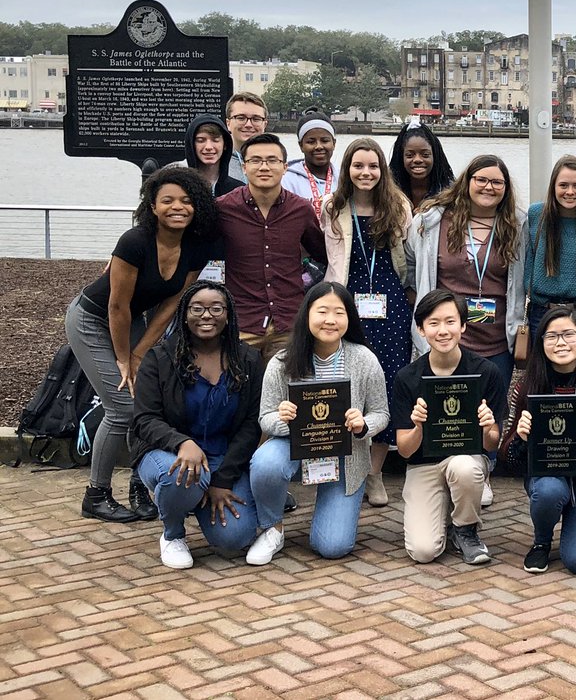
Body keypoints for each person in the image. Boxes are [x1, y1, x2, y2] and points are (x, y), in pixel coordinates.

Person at [67, 168, 219, 523]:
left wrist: (140, 354)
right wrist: (124, 359)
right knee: (122, 406)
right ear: (152, 206)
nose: (177, 207)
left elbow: (171, 305)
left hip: (134, 322)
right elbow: (116, 306)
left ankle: (140, 484)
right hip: (92, 319)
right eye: (167, 200)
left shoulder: (196, 247)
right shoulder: (134, 242)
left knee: (149, 402)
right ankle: (96, 494)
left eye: (186, 201)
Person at [245, 282, 390, 564]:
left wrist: (362, 425)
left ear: (350, 318)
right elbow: (265, 418)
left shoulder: (364, 359)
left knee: (332, 547)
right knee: (265, 464)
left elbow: (381, 414)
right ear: (307, 314)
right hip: (294, 449)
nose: (330, 320)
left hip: (345, 456)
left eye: (339, 312)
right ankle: (272, 527)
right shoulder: (282, 361)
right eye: (322, 311)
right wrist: (284, 418)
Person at [129, 281, 264, 568]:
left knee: (234, 538)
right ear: (184, 314)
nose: (206, 315)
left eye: (216, 308)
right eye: (197, 309)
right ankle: (173, 533)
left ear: (228, 315)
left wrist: (223, 479)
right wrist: (182, 443)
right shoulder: (160, 358)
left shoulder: (248, 360)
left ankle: (193, 494)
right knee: (185, 475)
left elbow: (251, 425)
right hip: (165, 453)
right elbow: (144, 419)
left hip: (221, 457)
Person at [321, 137, 413, 508]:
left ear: (383, 170)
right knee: (346, 382)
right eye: (358, 166)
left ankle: (374, 472)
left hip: (389, 307)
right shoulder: (333, 207)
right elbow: (330, 258)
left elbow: (407, 256)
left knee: (385, 385)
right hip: (347, 303)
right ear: (347, 170)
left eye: (373, 166)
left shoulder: (399, 205)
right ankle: (344, 467)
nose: (366, 173)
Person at [499, 306, 576, 574]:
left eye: (569, 334)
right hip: (547, 477)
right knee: (549, 492)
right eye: (551, 336)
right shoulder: (526, 386)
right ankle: (542, 541)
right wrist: (520, 439)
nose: (561, 342)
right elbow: (508, 460)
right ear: (540, 342)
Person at [392, 290, 508, 565]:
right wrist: (418, 426)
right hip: (424, 466)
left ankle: (465, 530)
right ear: (421, 329)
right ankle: (442, 509)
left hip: (465, 459)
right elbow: (406, 451)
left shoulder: (486, 371)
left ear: (463, 326)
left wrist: (488, 425)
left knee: (464, 469)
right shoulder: (407, 378)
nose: (443, 331)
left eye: (450, 322)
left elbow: (492, 443)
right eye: (433, 323)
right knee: (423, 552)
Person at [406, 154, 526, 392]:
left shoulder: (518, 225)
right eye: (481, 179)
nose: (488, 187)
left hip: (496, 343)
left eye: (497, 182)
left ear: (506, 188)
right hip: (445, 339)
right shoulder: (432, 222)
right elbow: (411, 264)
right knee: (445, 416)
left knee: (491, 419)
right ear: (467, 181)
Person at [217, 133, 327, 361]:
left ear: (285, 167)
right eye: (255, 160)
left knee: (287, 393)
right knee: (240, 393)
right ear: (244, 167)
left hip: (288, 323)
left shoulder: (300, 210)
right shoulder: (223, 209)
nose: (264, 167)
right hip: (242, 323)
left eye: (272, 160)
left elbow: (323, 254)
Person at [523, 155, 576, 349]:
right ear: (553, 187)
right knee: (544, 375)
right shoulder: (536, 215)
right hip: (543, 312)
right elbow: (528, 260)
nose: (570, 192)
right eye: (563, 185)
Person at [282, 112, 338, 219]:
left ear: (334, 143)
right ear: (301, 145)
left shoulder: (344, 178)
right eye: (311, 142)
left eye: (325, 141)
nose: (319, 146)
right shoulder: (286, 180)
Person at [388, 121, 455, 210]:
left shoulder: (452, 193)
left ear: (435, 156)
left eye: (425, 155)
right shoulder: (387, 192)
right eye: (409, 155)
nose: (417, 160)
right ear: (401, 158)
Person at [182, 113, 241, 198]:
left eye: (215, 140)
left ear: (225, 145)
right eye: (201, 140)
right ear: (191, 144)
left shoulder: (237, 191)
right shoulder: (179, 187)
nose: (208, 147)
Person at [225, 92, 270, 184]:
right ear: (228, 123)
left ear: (265, 124)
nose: (248, 125)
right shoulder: (211, 161)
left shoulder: (277, 161)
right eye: (241, 118)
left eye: (256, 119)